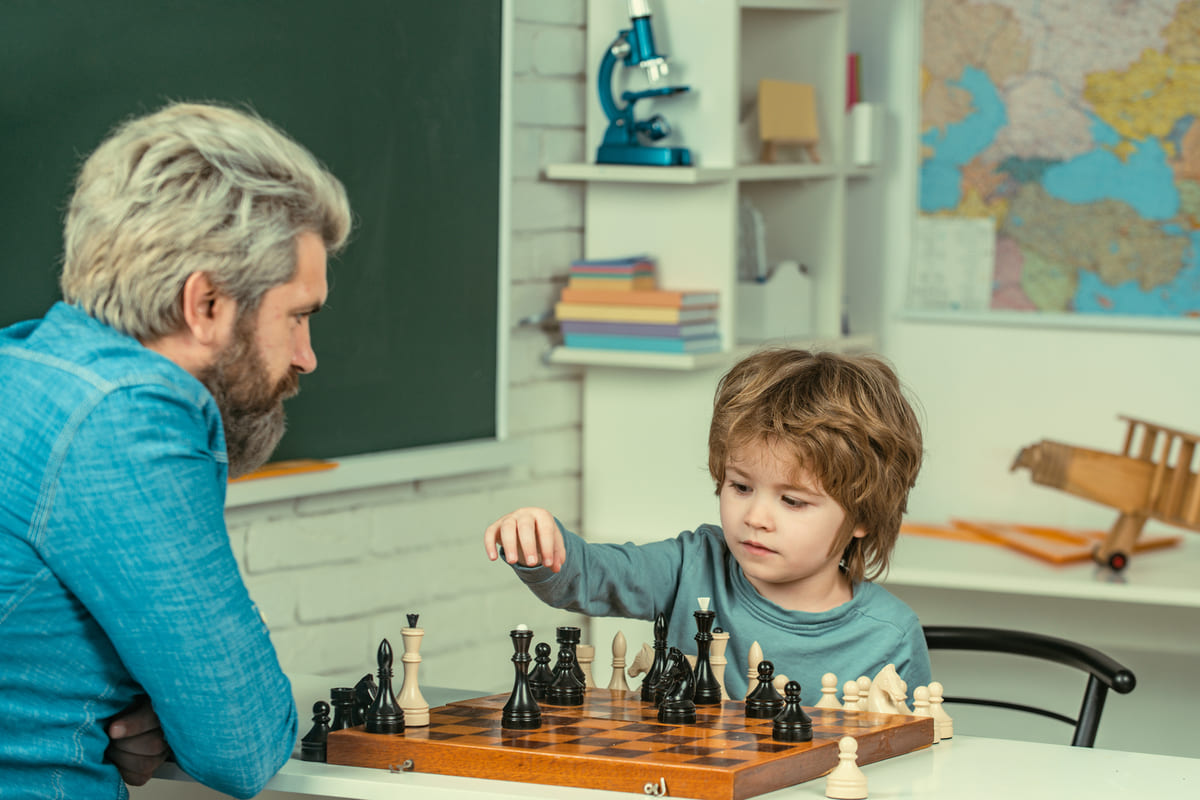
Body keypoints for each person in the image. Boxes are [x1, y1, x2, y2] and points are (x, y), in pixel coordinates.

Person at [0, 102, 351, 798]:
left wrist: (163, 715)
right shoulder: (123, 418)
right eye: (298, 316)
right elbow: (242, 745)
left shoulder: (26, 365)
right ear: (207, 304)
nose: (307, 357)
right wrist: (183, 719)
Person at [484, 348, 932, 701]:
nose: (755, 518)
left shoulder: (890, 635)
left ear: (863, 517)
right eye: (740, 487)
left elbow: (910, 767)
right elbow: (592, 577)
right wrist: (542, 545)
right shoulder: (691, 567)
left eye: (792, 500)